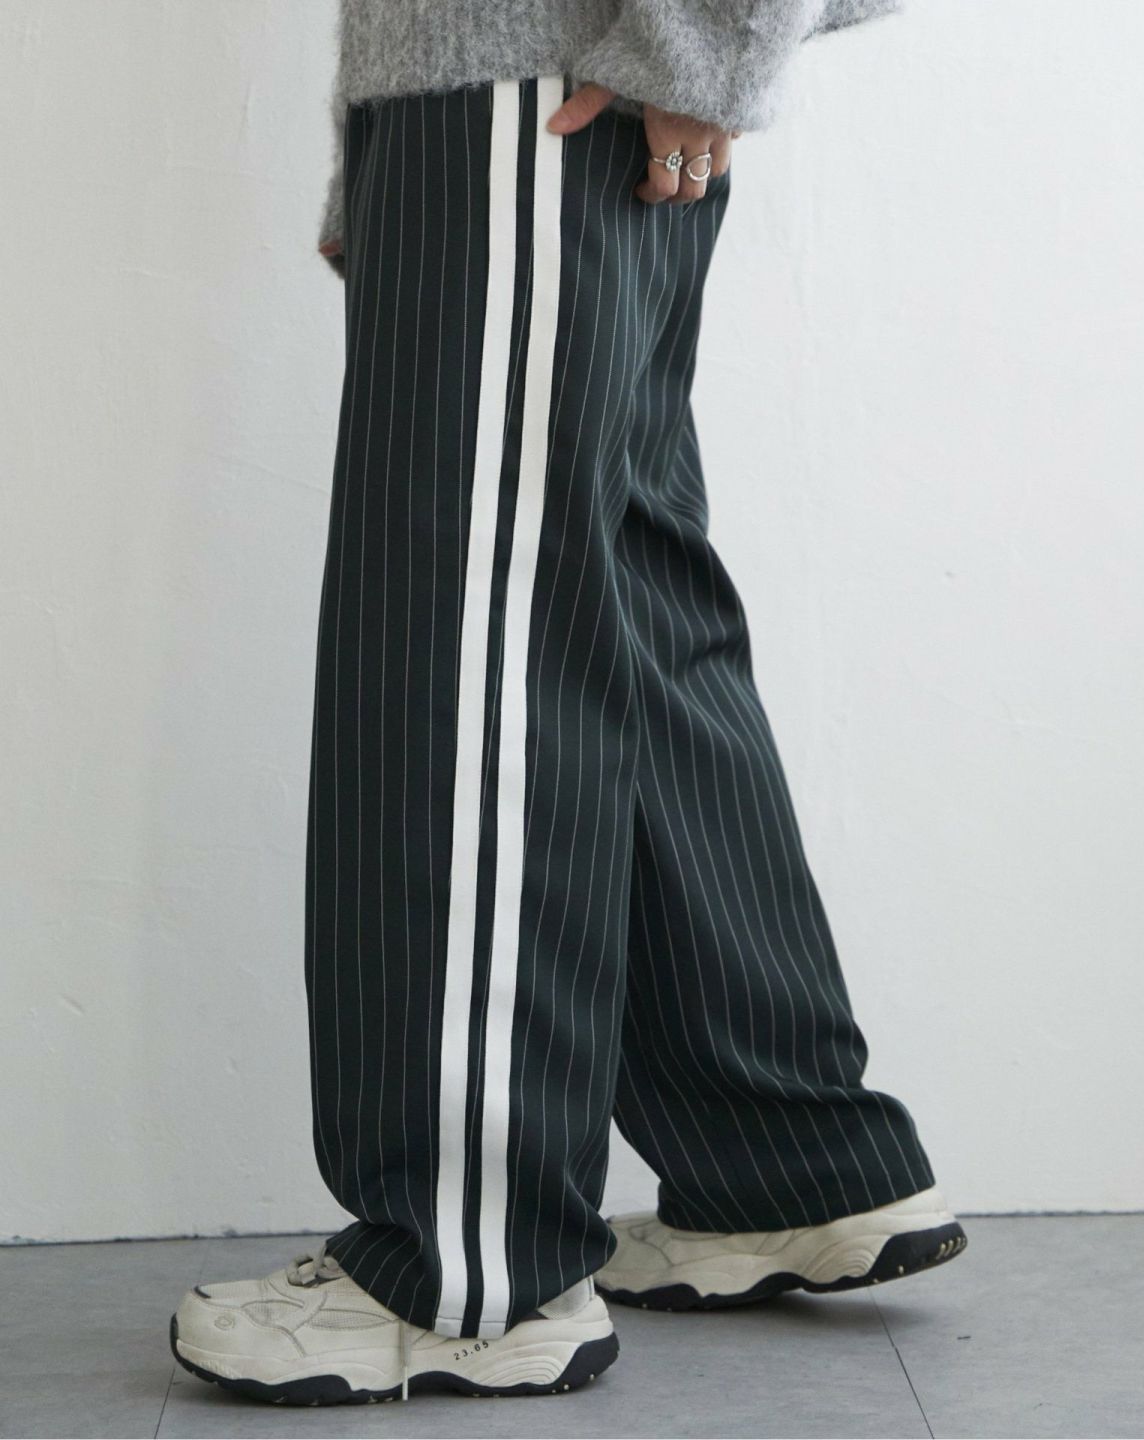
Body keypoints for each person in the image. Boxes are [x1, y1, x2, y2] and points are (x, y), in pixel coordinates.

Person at [170, 0, 967, 1407]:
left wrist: (698, 36)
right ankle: (777, 1154)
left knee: (471, 647)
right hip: (523, 85)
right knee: (617, 616)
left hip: (542, 83)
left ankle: (468, 1268)